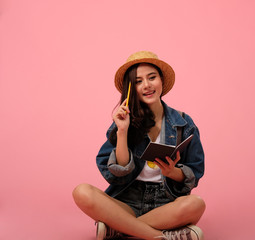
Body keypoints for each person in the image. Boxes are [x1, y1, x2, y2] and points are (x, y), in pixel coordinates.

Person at [72, 51, 206, 240]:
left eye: (152, 78)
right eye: (138, 81)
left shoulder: (184, 123)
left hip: (166, 203)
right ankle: (159, 236)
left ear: (161, 81)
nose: (147, 85)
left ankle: (118, 228)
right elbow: (118, 175)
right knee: (82, 192)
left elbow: (195, 170)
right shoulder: (122, 122)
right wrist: (122, 131)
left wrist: (172, 172)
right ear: (130, 88)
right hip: (127, 200)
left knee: (196, 204)